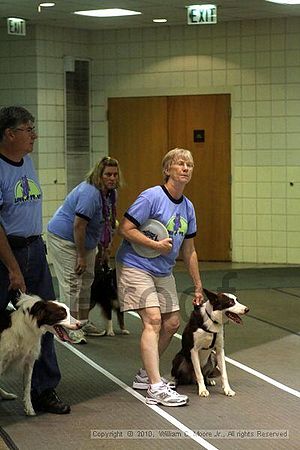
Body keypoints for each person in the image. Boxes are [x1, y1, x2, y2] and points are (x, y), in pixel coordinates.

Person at [116, 147, 204, 407]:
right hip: (135, 265)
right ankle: (155, 387)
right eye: (180, 164)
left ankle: (145, 375)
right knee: (153, 320)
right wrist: (154, 245)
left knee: (172, 323)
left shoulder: (188, 207)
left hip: (162, 270)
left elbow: (189, 249)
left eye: (189, 165)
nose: (186, 168)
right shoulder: (151, 197)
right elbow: (125, 229)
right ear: (167, 170)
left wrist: (198, 284)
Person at [0, 106, 70, 414]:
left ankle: (44, 389)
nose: (35, 135)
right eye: (29, 129)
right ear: (9, 134)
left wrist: (33, 255)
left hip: (34, 249)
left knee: (47, 319)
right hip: (6, 252)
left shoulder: (27, 161)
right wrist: (13, 268)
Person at [47, 156, 121, 344]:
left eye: (115, 174)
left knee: (87, 280)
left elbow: (108, 222)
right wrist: (81, 256)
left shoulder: (111, 194)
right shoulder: (90, 194)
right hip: (64, 238)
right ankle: (69, 326)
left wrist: (105, 248)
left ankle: (83, 321)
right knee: (72, 283)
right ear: (99, 175)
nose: (112, 178)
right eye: (108, 174)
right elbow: (79, 226)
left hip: (86, 241)